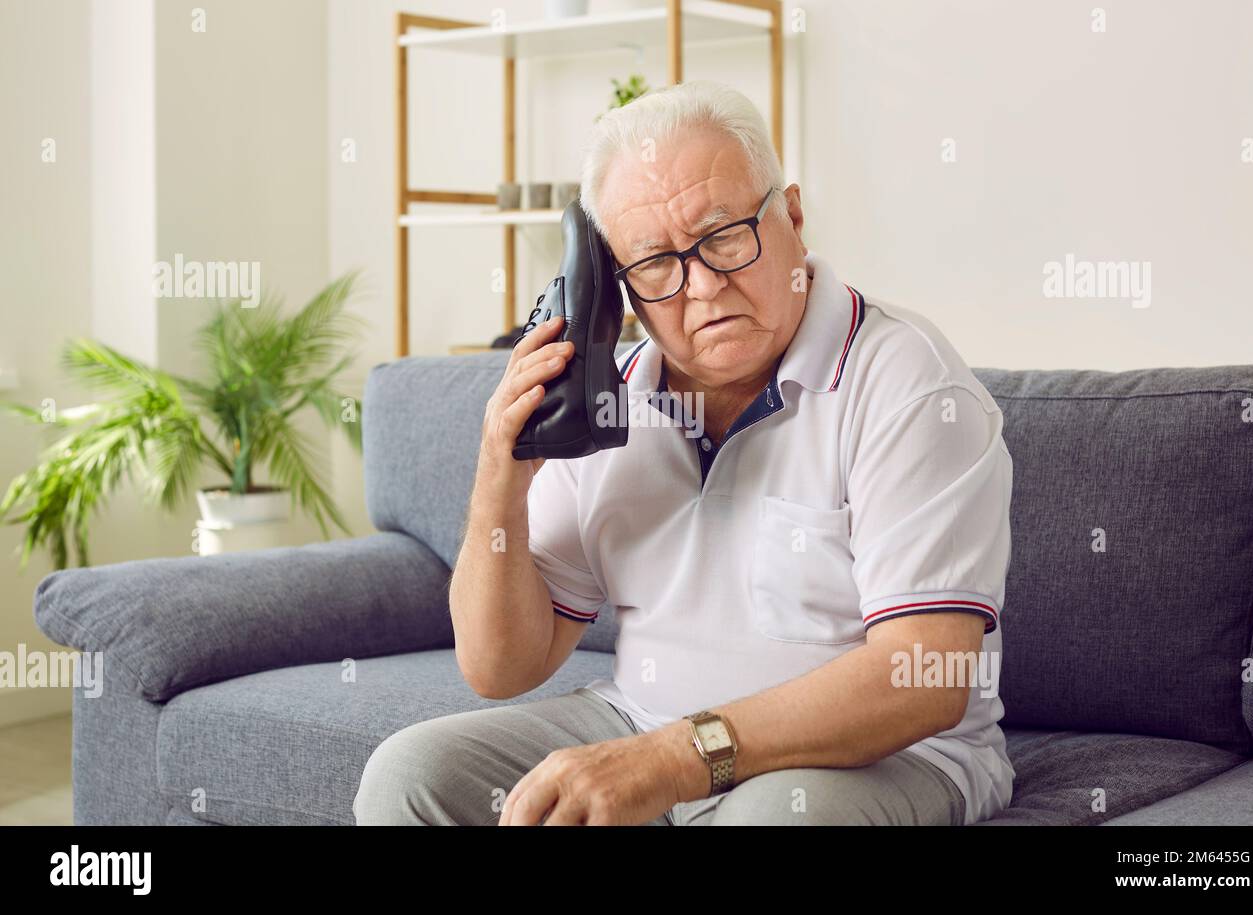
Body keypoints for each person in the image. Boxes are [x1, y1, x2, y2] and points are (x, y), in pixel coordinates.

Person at [354, 79, 1014, 826]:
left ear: (793, 216)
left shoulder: (907, 380)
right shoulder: (611, 400)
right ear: (614, 286)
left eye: (725, 234)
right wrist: (498, 476)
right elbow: (500, 666)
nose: (701, 286)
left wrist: (673, 760)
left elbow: (924, 677)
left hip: (880, 758)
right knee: (410, 775)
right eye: (657, 263)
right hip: (643, 719)